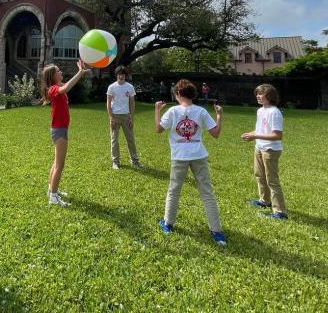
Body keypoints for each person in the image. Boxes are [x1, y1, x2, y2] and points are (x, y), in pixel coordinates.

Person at [154, 79, 227, 245]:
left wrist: (157, 110)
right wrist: (219, 116)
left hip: (179, 157)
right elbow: (215, 133)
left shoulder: (173, 111)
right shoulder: (201, 111)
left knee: (174, 191)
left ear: (178, 94)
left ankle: (168, 224)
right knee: (207, 193)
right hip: (199, 155)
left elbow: (158, 129)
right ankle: (217, 231)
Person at [41, 59, 89, 207]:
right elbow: (66, 88)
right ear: (52, 76)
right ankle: (53, 197)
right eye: (58, 71)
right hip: (59, 130)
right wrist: (80, 72)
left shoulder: (57, 86)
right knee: (59, 165)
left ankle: (51, 190)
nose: (61, 72)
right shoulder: (53, 89)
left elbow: (67, 85)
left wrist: (81, 71)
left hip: (60, 129)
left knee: (56, 163)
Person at [241, 84, 288, 219]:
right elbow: (260, 130)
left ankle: (280, 212)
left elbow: (277, 135)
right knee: (260, 175)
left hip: (271, 150)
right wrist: (250, 134)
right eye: (257, 93)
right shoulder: (260, 111)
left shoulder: (275, 112)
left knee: (272, 180)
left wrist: (255, 136)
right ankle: (264, 201)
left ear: (270, 96)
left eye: (261, 94)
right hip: (259, 147)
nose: (258, 96)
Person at [107, 66, 142, 170]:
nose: (121, 76)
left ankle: (135, 161)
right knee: (114, 140)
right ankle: (115, 162)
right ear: (116, 75)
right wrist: (111, 117)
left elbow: (132, 103)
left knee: (130, 139)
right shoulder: (112, 87)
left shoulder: (130, 87)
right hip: (115, 116)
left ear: (125, 76)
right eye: (119, 74)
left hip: (126, 116)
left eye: (123, 74)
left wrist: (132, 117)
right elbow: (108, 103)